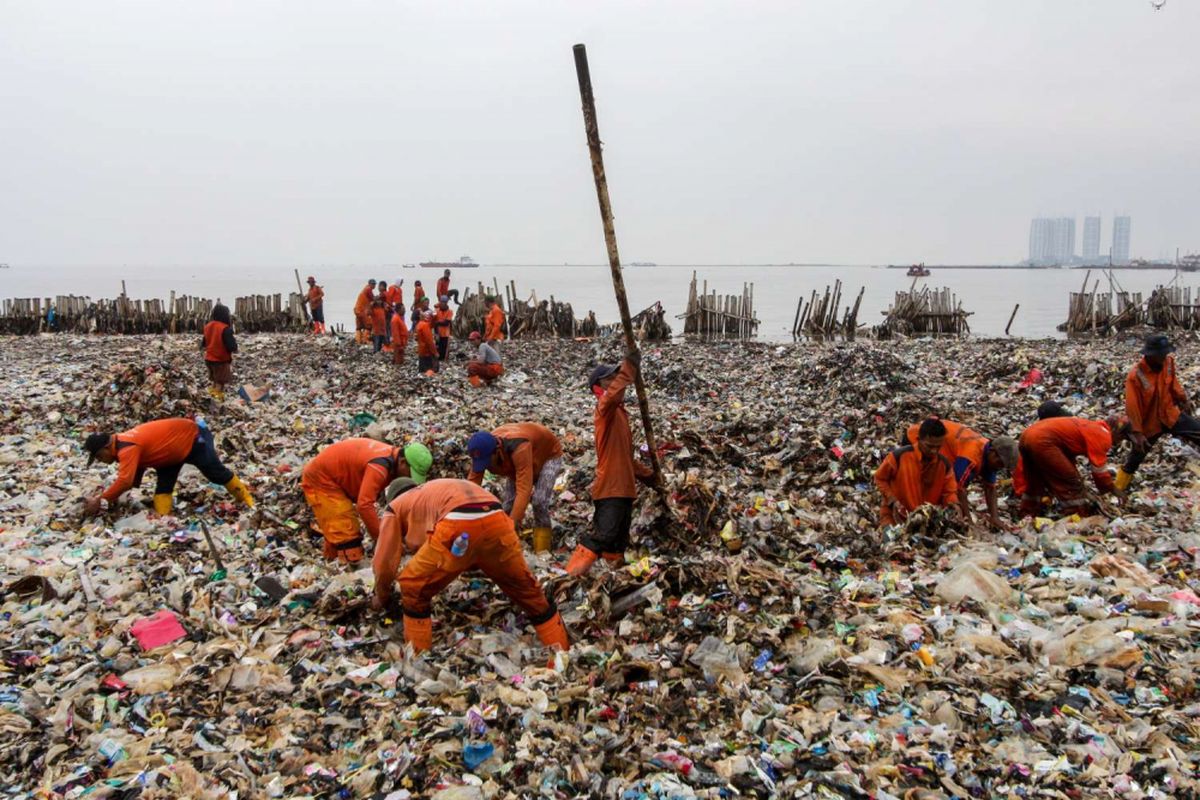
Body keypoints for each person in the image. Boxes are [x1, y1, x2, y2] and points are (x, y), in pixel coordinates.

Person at [371, 478, 569, 661]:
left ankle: (417, 658)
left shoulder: (395, 507)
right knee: (528, 591)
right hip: (497, 518)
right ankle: (563, 654)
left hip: (458, 523)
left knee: (414, 587)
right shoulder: (434, 491)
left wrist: (382, 595)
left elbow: (384, 564)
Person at [566, 349, 654, 576]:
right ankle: (568, 577)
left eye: (616, 376)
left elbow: (626, 459)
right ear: (600, 387)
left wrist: (649, 477)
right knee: (604, 535)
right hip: (610, 488)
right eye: (611, 378)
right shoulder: (604, 410)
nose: (616, 381)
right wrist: (628, 370)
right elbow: (612, 396)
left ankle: (609, 577)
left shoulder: (620, 416)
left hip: (624, 489)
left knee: (617, 541)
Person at [82, 418, 254, 516]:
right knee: (164, 487)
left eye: (99, 457)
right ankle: (164, 518)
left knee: (215, 472)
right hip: (168, 454)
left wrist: (102, 499)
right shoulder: (122, 444)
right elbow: (135, 474)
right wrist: (118, 497)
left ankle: (248, 501)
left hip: (193, 438)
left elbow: (125, 480)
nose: (102, 460)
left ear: (106, 448)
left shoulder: (126, 447)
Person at [300, 438, 432, 565]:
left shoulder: (390, 459)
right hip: (321, 479)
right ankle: (349, 570)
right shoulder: (380, 467)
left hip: (334, 478)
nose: (409, 477)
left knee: (335, 525)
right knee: (346, 533)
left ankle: (331, 561)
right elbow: (364, 505)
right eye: (410, 473)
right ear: (403, 462)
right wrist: (384, 542)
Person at [903, 419, 1018, 529]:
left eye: (1002, 466)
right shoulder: (971, 455)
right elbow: (958, 488)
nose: (999, 467)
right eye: (1000, 463)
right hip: (918, 438)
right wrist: (968, 520)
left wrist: (995, 517)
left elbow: (990, 488)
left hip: (940, 449)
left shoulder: (989, 458)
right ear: (993, 452)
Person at [1118, 334, 1199, 491]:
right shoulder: (1135, 376)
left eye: (1165, 353)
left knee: (1197, 431)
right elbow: (1132, 407)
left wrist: (1183, 399)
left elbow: (1173, 383)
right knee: (1135, 458)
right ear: (1150, 354)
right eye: (1161, 354)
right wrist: (1137, 433)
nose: (1164, 357)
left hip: (1170, 414)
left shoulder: (1168, 362)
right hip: (1150, 423)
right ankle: (1118, 488)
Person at [466, 424, 563, 540]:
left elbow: (524, 490)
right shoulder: (481, 451)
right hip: (516, 463)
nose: (485, 466)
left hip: (548, 455)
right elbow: (471, 487)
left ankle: (543, 545)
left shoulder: (518, 447)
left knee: (539, 501)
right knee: (508, 505)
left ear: (496, 451)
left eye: (487, 462)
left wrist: (512, 526)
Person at [1017, 416, 1126, 518]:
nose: (1118, 442)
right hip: (1043, 441)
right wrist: (1112, 489)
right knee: (1071, 483)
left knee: (1035, 479)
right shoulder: (1103, 435)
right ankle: (1075, 517)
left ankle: (1026, 514)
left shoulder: (1091, 426)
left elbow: (1066, 452)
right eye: (1122, 438)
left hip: (1027, 435)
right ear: (1117, 432)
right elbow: (1099, 471)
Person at [874, 418, 958, 527]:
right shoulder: (899, 456)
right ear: (918, 439)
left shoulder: (944, 464)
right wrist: (892, 499)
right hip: (896, 517)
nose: (934, 451)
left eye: (938, 447)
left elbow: (949, 492)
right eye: (930, 446)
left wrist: (954, 505)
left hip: (926, 521)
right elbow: (880, 478)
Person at [201, 303, 237, 402]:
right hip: (221, 360)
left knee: (214, 381)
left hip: (209, 359)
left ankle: (211, 398)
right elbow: (232, 346)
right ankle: (216, 402)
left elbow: (204, 343)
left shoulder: (207, 326)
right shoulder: (225, 328)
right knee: (220, 383)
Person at [415, 310, 438, 375]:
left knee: (422, 371)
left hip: (421, 350)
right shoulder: (425, 326)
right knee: (429, 370)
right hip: (427, 352)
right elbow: (429, 341)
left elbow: (432, 324)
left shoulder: (419, 324)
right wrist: (435, 352)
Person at [354, 279, 376, 345]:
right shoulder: (368, 289)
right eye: (373, 284)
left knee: (359, 326)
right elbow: (373, 299)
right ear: (370, 284)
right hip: (362, 311)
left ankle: (358, 341)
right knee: (368, 326)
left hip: (357, 310)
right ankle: (365, 340)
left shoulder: (365, 289)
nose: (374, 285)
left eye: (374, 284)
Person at [434, 296, 454, 362]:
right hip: (438, 333)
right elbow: (434, 323)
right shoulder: (437, 311)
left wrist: (438, 322)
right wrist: (436, 333)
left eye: (444, 302)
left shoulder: (450, 311)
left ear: (446, 303)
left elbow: (447, 322)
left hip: (446, 333)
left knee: (445, 348)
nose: (442, 304)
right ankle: (438, 359)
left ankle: (444, 359)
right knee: (438, 346)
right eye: (441, 302)